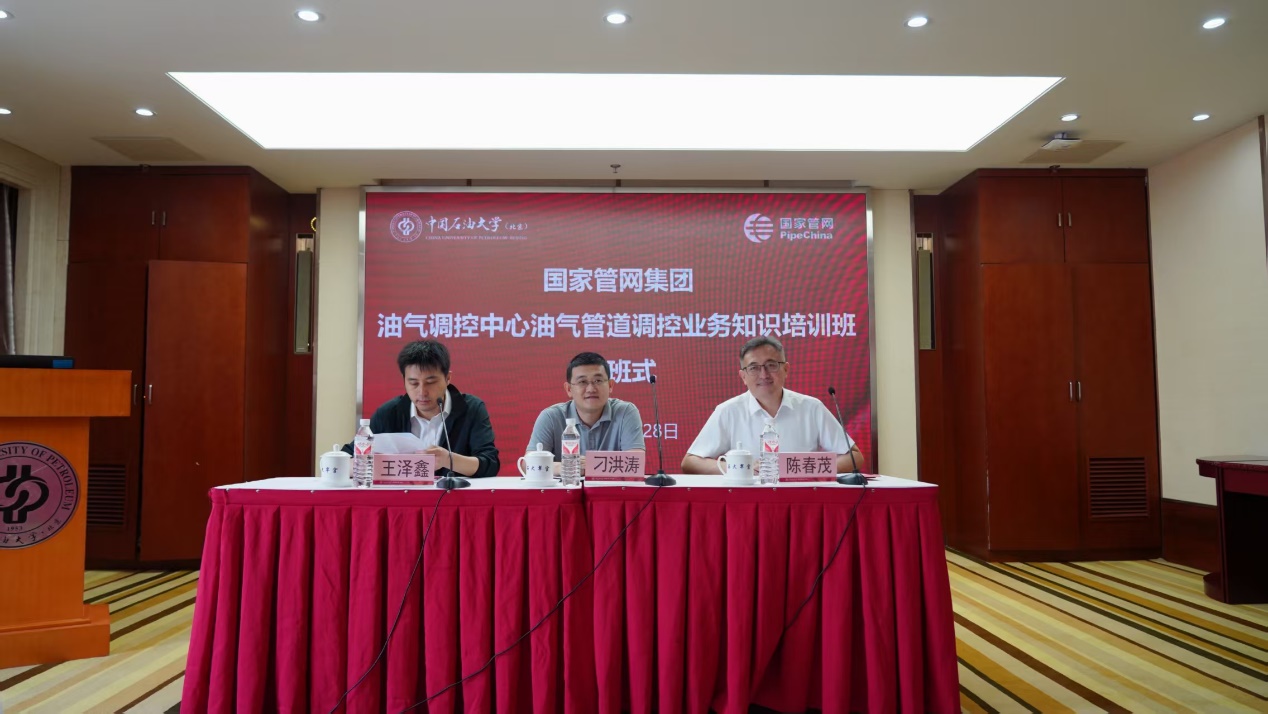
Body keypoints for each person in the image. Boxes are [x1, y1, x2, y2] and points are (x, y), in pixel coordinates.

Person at [682, 336, 866, 475]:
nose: (763, 375)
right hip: (745, 502)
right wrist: (740, 467)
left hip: (802, 500)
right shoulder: (728, 411)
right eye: (754, 368)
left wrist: (798, 469)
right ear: (743, 376)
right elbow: (690, 462)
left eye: (771, 365)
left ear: (786, 369)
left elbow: (854, 457)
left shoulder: (811, 407)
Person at [345, 339, 499, 478]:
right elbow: (346, 458)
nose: (422, 392)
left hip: (454, 498)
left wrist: (448, 460)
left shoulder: (471, 409)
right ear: (404, 380)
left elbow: (490, 464)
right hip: (402, 498)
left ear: (448, 378)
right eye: (413, 383)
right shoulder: (389, 413)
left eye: (430, 382)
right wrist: (373, 465)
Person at [526, 351, 645, 469]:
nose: (591, 389)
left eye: (598, 381)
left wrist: (591, 464)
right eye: (582, 382)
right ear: (569, 389)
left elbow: (636, 463)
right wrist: (568, 467)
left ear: (610, 386)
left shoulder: (625, 412)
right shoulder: (551, 417)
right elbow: (527, 464)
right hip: (568, 481)